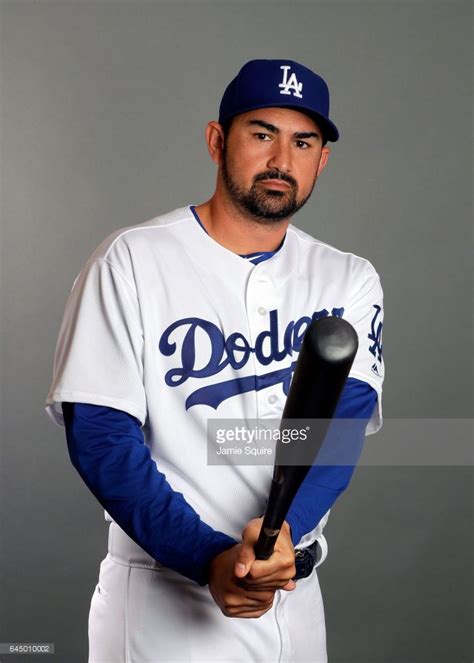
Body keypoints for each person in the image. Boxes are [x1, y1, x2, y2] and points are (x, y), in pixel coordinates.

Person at [45, 59, 384, 663]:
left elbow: (339, 429)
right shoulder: (130, 261)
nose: (282, 158)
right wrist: (208, 557)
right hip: (161, 601)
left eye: (303, 141)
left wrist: (279, 540)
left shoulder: (349, 277)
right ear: (217, 140)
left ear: (321, 160)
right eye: (261, 133)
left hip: (294, 596)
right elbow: (100, 437)